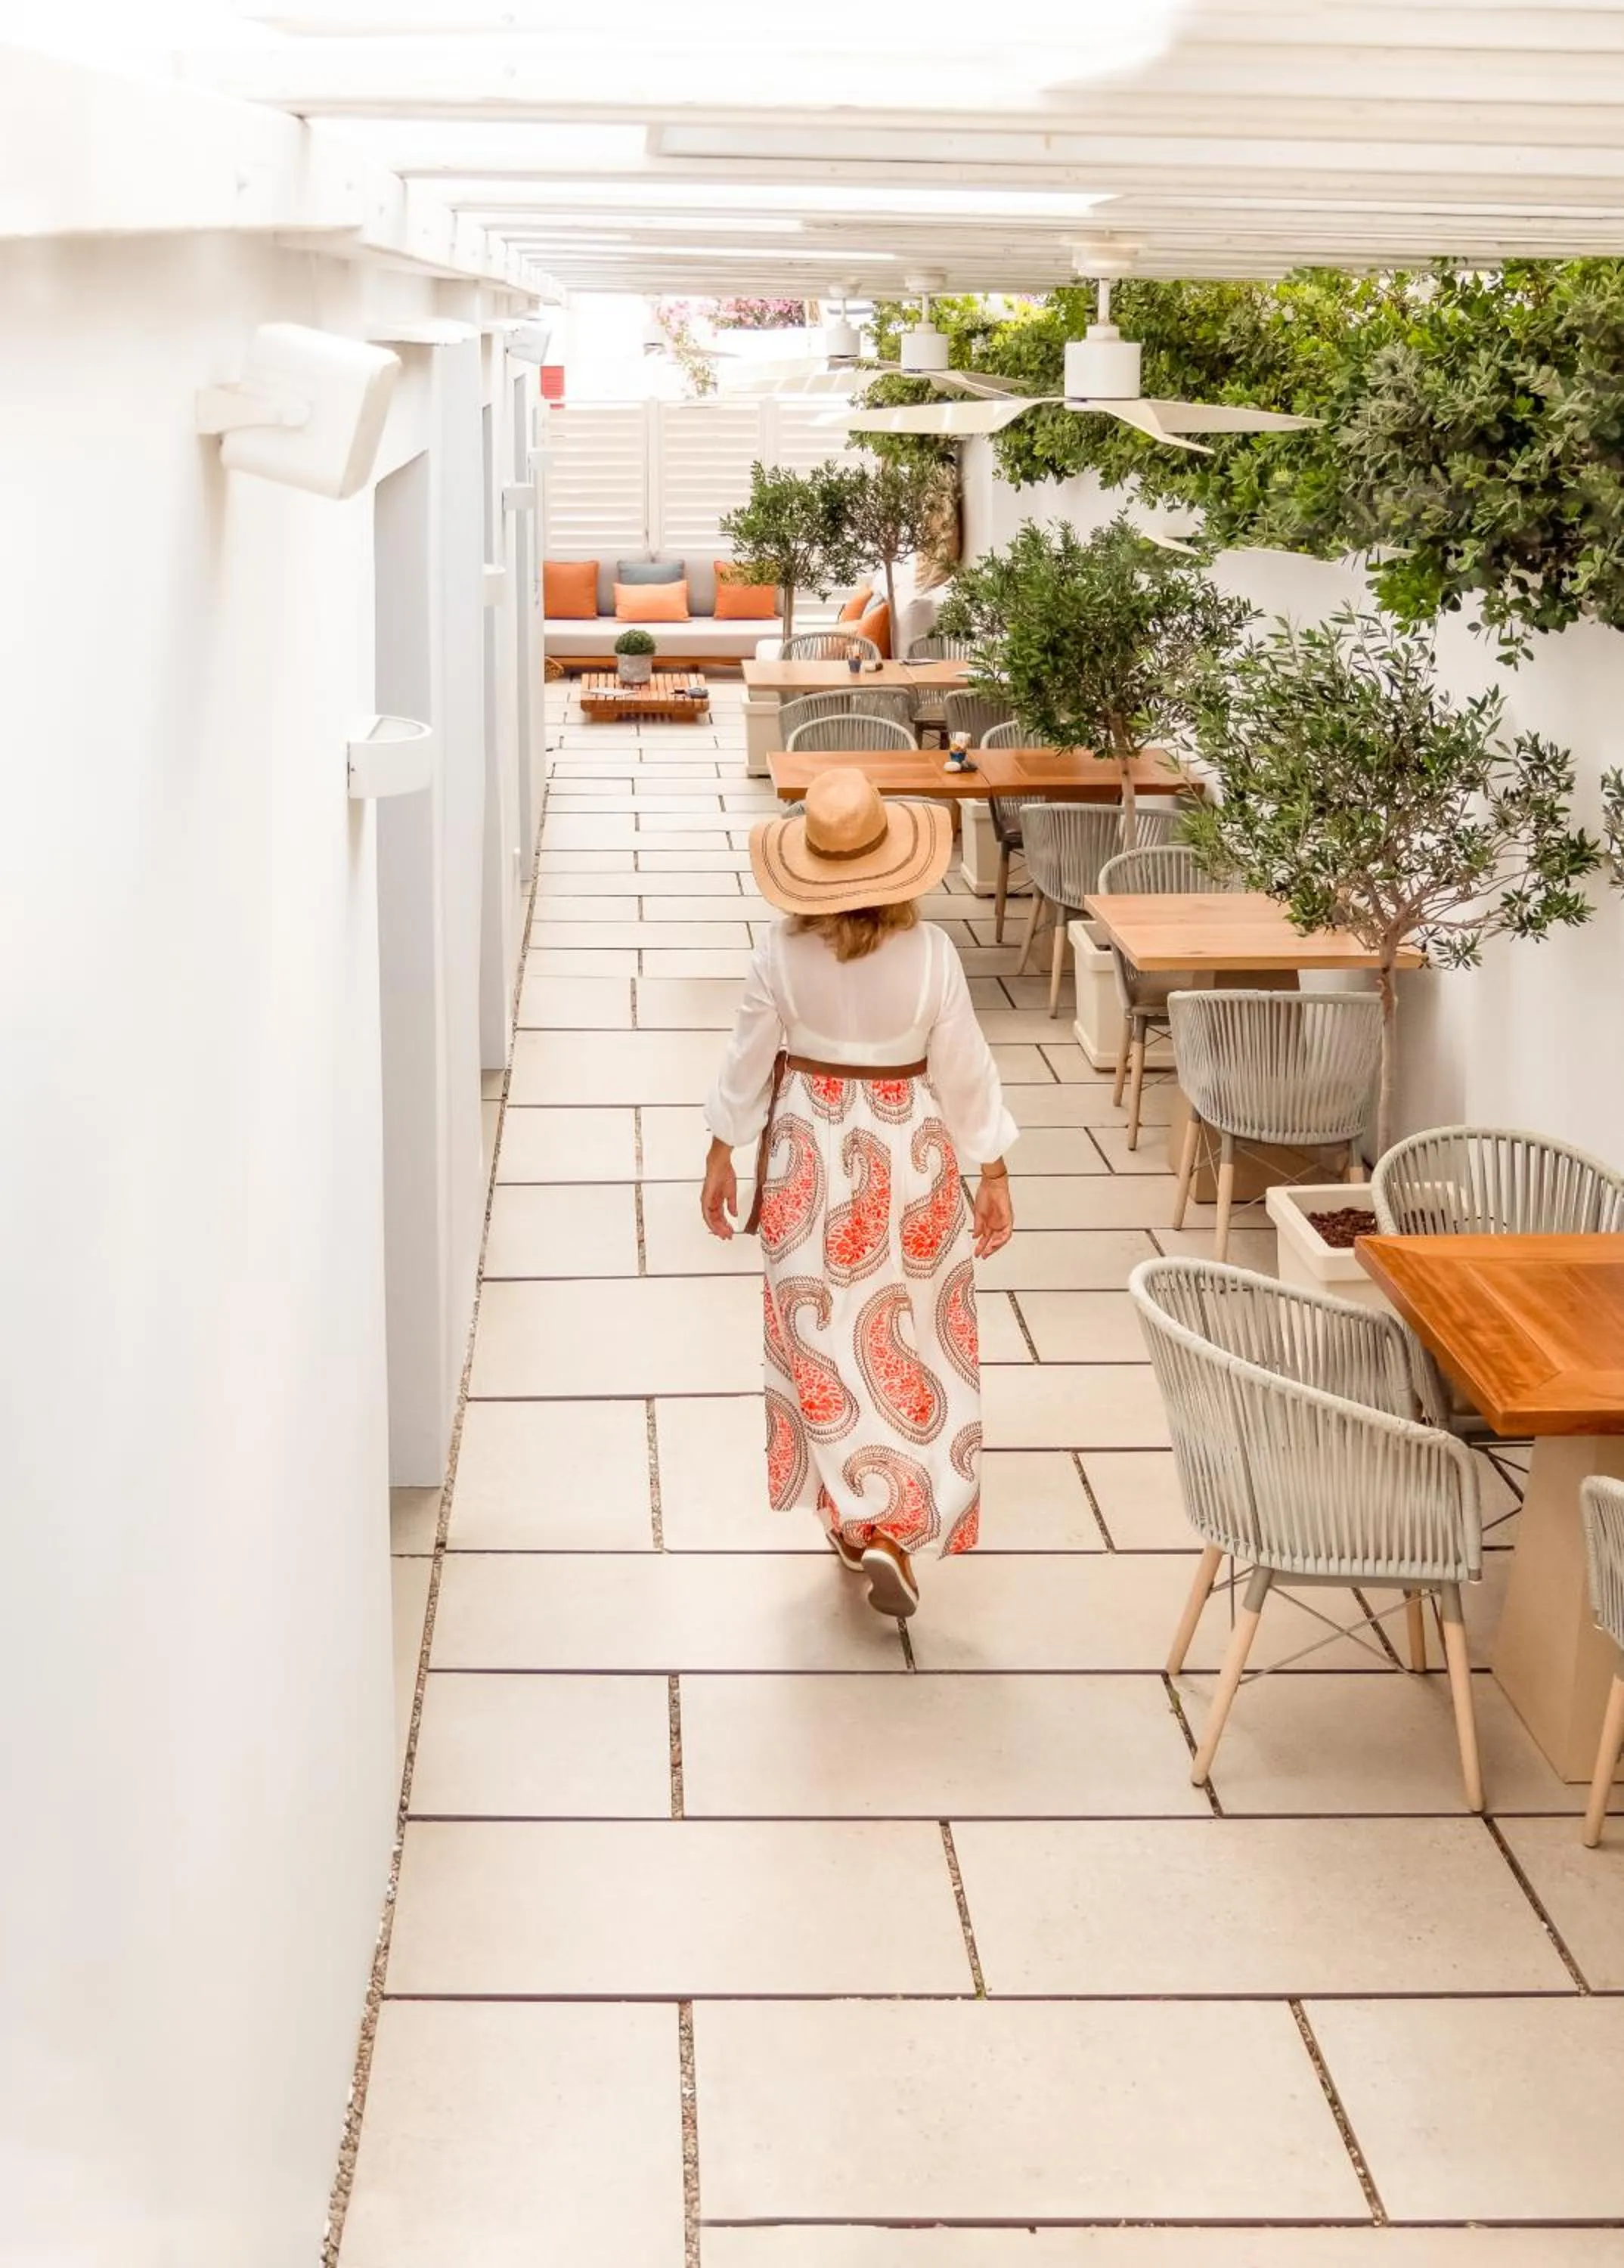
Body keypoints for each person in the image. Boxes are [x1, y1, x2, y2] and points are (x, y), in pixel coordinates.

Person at [700, 770, 1016, 1619]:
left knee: (823, 1340)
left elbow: (746, 1058)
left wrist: (721, 1152)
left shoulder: (780, 952)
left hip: (809, 1154)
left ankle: (853, 1516)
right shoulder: (932, 955)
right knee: (915, 1338)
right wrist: (991, 1171)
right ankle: (897, 1522)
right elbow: (967, 1073)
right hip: (910, 1156)